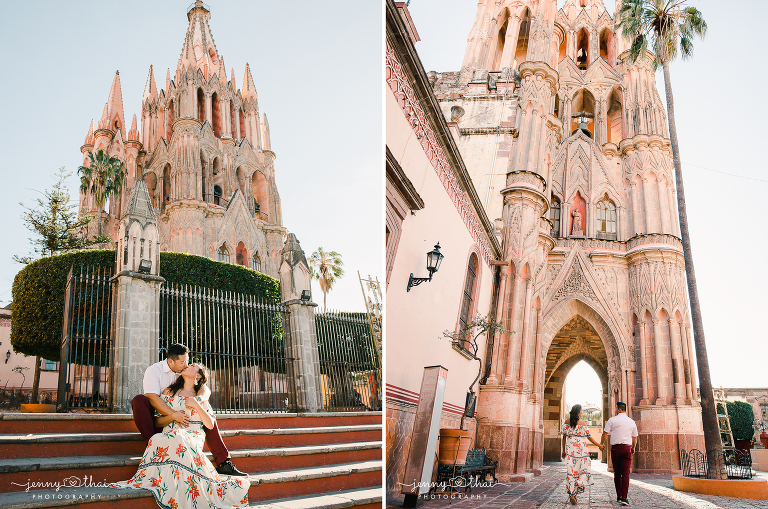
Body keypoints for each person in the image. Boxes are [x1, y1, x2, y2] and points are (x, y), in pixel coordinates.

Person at [110, 363, 249, 508]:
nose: (187, 365)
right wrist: (173, 417)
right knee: (164, 437)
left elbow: (209, 425)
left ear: (198, 375)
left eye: (192, 365)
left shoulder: (200, 396)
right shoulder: (169, 392)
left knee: (179, 436)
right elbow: (156, 422)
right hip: (170, 434)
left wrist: (196, 404)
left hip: (192, 436)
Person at [132, 343, 246, 476]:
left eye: (188, 361)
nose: (186, 364)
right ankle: (152, 446)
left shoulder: (184, 373)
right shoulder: (154, 371)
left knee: (206, 415)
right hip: (162, 417)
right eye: (183, 362)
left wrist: (199, 400)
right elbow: (152, 397)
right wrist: (174, 415)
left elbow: (203, 386)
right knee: (139, 400)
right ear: (170, 361)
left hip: (187, 423)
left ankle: (223, 462)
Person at [561, 404, 605, 505]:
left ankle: (573, 493)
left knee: (571, 471)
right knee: (582, 470)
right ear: (578, 411)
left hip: (570, 447)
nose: (582, 412)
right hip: (581, 449)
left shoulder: (567, 422)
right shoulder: (582, 423)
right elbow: (589, 437)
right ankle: (576, 489)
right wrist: (599, 445)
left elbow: (564, 437)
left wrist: (563, 450)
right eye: (581, 410)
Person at [600, 402, 638, 506]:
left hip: (615, 449)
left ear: (619, 409)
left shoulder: (612, 420)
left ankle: (619, 496)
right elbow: (635, 437)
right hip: (627, 449)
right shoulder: (631, 422)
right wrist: (633, 447)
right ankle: (624, 498)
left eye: (617, 408)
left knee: (617, 473)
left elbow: (605, 433)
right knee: (625, 473)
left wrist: (601, 443)